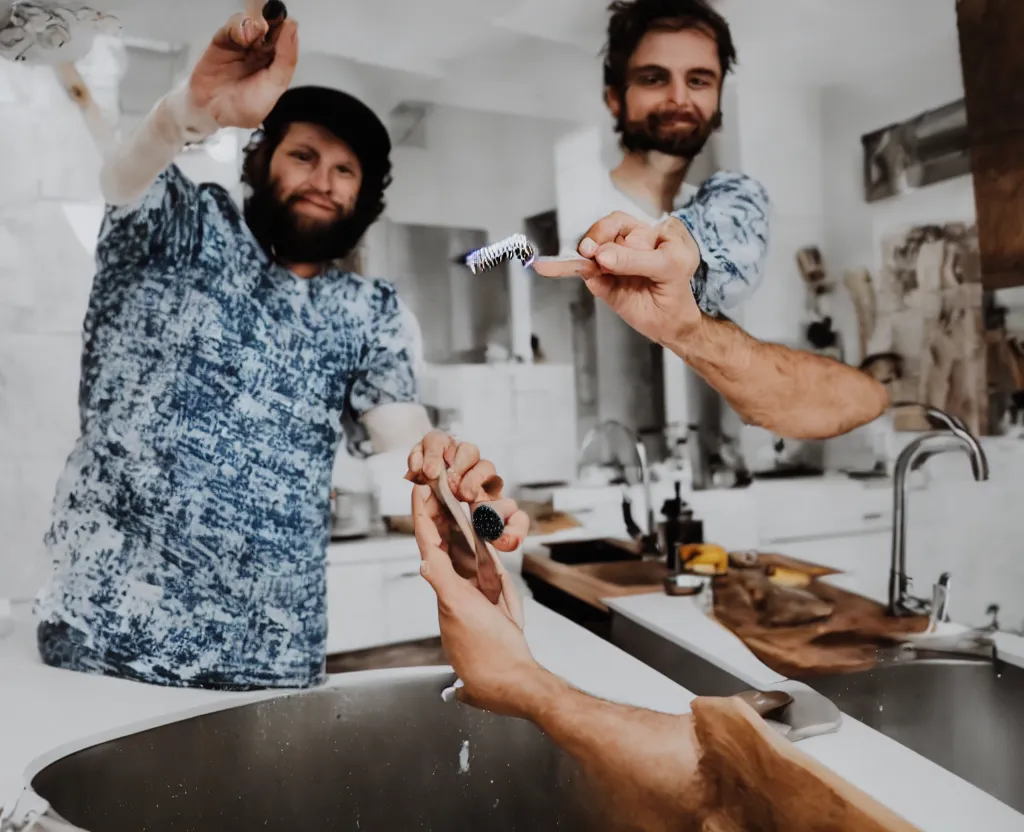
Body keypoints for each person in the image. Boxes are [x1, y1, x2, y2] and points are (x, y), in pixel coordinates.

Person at [33, 11, 525, 691]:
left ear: (364, 198)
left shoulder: (368, 309)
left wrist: (455, 486)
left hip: (270, 663)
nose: (324, 179)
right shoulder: (187, 225)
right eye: (304, 155)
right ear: (260, 161)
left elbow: (401, 433)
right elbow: (123, 179)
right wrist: (186, 114)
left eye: (345, 169)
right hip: (98, 644)